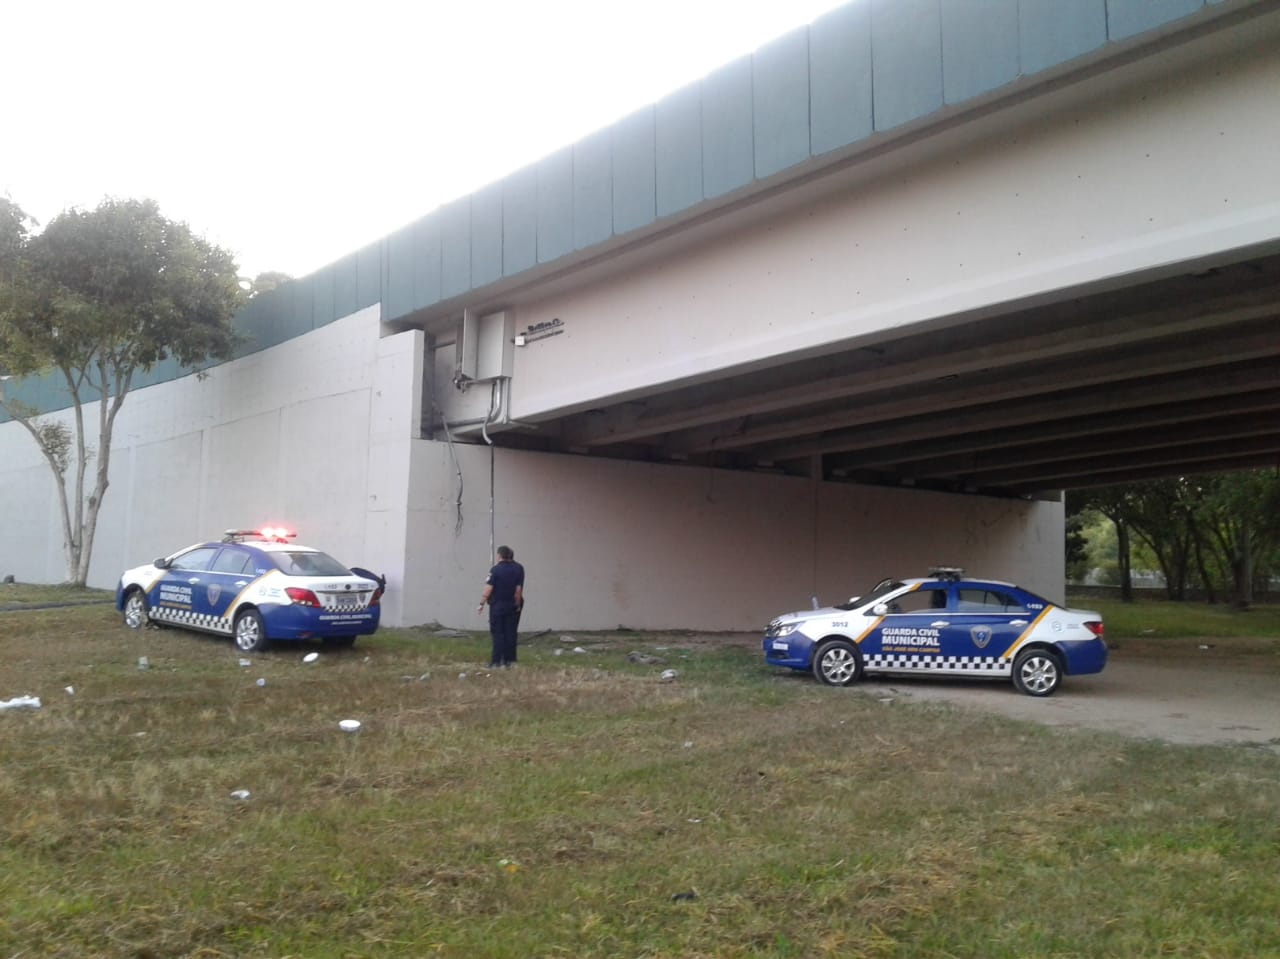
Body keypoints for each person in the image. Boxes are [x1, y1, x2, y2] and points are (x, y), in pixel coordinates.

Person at [477, 545, 524, 667]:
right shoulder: (518, 569)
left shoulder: (495, 570)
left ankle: (495, 661)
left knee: (498, 633)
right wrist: (517, 604)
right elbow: (518, 590)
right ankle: (509, 661)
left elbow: (488, 589)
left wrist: (481, 603)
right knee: (510, 633)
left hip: (497, 605)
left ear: (499, 556)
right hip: (511, 605)